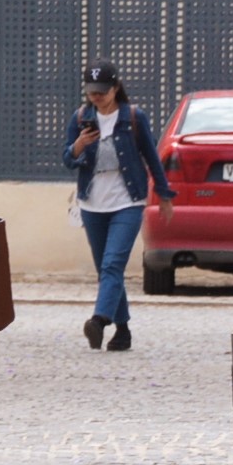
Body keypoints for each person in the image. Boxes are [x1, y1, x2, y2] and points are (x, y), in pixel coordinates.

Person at [64, 62, 169, 352]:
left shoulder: (133, 117)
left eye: (102, 91)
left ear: (116, 88)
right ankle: (122, 331)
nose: (96, 97)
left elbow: (151, 156)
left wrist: (164, 194)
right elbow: (67, 158)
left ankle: (99, 320)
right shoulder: (81, 117)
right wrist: (79, 146)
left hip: (128, 201)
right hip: (91, 203)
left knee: (113, 264)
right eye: (91, 91)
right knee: (106, 269)